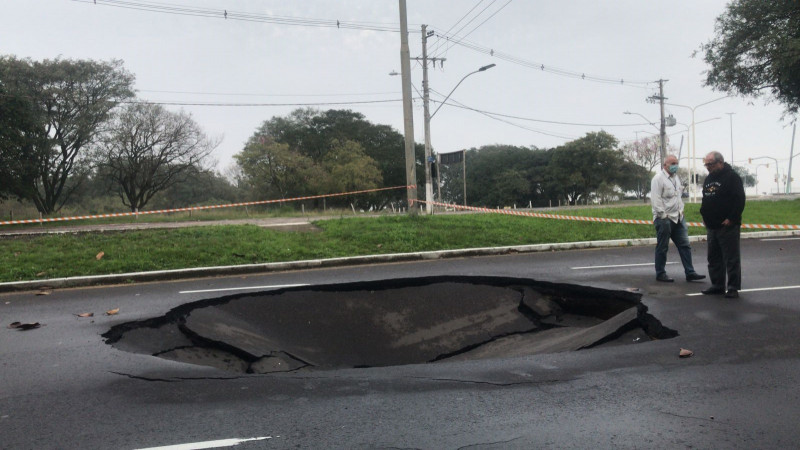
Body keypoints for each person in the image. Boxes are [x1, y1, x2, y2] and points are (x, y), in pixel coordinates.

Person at [650, 154, 706, 283]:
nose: (675, 165)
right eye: (672, 163)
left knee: (685, 245)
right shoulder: (658, 179)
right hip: (664, 218)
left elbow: (677, 196)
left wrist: (681, 211)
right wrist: (663, 216)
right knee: (663, 247)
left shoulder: (676, 178)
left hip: (678, 218)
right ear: (665, 165)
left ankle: (690, 272)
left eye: (676, 163)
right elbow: (656, 199)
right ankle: (660, 273)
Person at [700, 151, 746, 298]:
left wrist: (731, 218)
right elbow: (706, 198)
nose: (708, 167)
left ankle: (733, 287)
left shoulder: (732, 177)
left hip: (727, 225)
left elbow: (739, 199)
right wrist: (704, 215)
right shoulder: (709, 178)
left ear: (720, 162)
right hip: (711, 225)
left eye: (710, 164)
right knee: (713, 258)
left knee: (731, 258)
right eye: (706, 164)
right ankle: (717, 285)